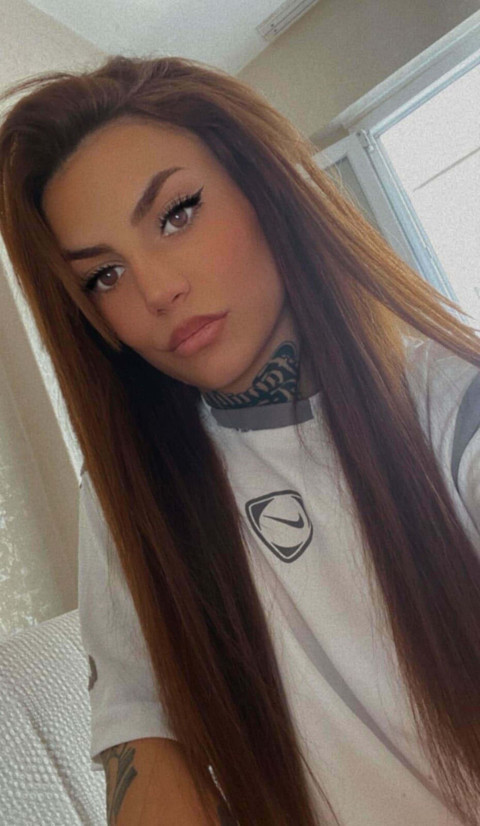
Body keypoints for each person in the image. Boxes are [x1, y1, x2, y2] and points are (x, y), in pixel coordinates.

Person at [0, 55, 479, 826]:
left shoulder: (450, 406)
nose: (156, 289)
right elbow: (144, 743)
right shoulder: (131, 497)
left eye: (177, 214)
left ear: (266, 189)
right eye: (104, 276)